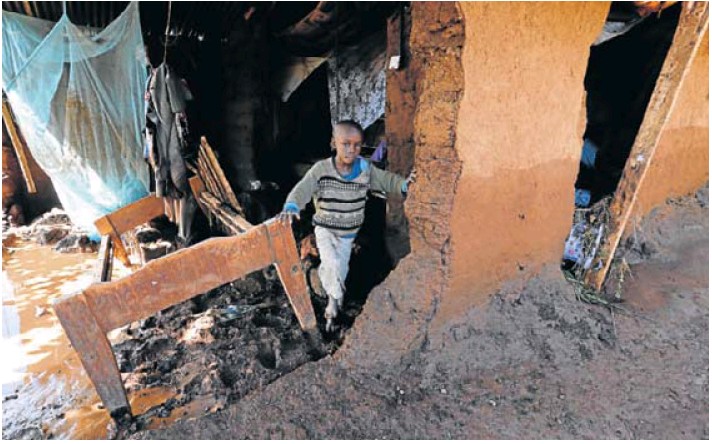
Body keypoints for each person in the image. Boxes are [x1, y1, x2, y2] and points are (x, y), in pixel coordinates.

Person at [278, 120, 414, 331]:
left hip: (348, 233)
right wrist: (292, 205)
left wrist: (403, 184)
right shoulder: (321, 169)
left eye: (357, 145)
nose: (351, 150)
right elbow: (303, 189)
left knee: (340, 266)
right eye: (345, 144)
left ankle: (332, 296)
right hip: (326, 228)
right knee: (332, 262)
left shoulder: (364, 169)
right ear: (334, 143)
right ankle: (331, 308)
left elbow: (385, 179)